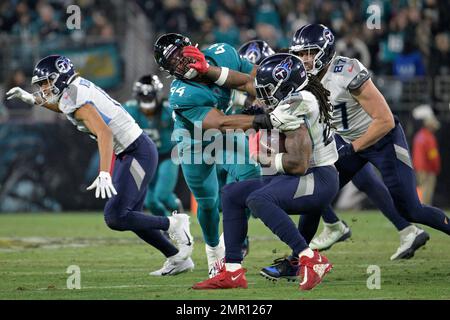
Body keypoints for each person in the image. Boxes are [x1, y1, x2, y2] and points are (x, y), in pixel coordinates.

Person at [6, 55, 194, 276]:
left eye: (47, 82)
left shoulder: (74, 95)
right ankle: (176, 258)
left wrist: (104, 172)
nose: (43, 88)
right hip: (131, 152)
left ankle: (174, 224)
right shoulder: (70, 91)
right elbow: (64, 107)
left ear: (61, 75)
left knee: (116, 216)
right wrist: (33, 99)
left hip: (137, 152)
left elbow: (104, 131)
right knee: (129, 216)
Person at [287, 24, 449, 263]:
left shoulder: (346, 70)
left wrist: (350, 148)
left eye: (310, 52)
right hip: (350, 140)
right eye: (300, 53)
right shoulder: (303, 79)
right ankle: (296, 261)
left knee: (411, 209)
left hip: (383, 139)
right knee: (315, 196)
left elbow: (384, 120)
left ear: (326, 50)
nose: (305, 59)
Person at [153, 33, 300, 277]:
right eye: (172, 62)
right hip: (194, 140)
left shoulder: (224, 53)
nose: (180, 63)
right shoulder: (181, 92)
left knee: (252, 178)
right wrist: (263, 119)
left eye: (180, 55)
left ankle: (233, 240)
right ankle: (214, 253)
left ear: (191, 46)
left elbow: (255, 78)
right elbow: (218, 123)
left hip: (226, 130)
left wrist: (270, 98)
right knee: (208, 202)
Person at [190, 53, 338, 291]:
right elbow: (245, 81)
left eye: (269, 88)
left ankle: (310, 258)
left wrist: (266, 158)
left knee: (258, 199)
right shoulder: (301, 88)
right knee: (232, 193)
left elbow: (298, 164)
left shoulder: (298, 102)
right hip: (306, 175)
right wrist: (208, 70)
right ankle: (233, 272)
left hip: (318, 179)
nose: (264, 94)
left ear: (285, 83)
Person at [123, 74, 183, 218]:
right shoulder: (129, 110)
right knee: (149, 201)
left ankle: (176, 208)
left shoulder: (169, 110)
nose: (147, 105)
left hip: (166, 155)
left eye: (150, 98)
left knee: (162, 195)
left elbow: (185, 128)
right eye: (143, 99)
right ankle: (167, 225)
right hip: (144, 158)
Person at [412, 104, 441, 205]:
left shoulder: (419, 136)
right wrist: (436, 168)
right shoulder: (429, 138)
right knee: (427, 193)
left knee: (421, 189)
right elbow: (433, 156)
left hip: (419, 168)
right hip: (428, 170)